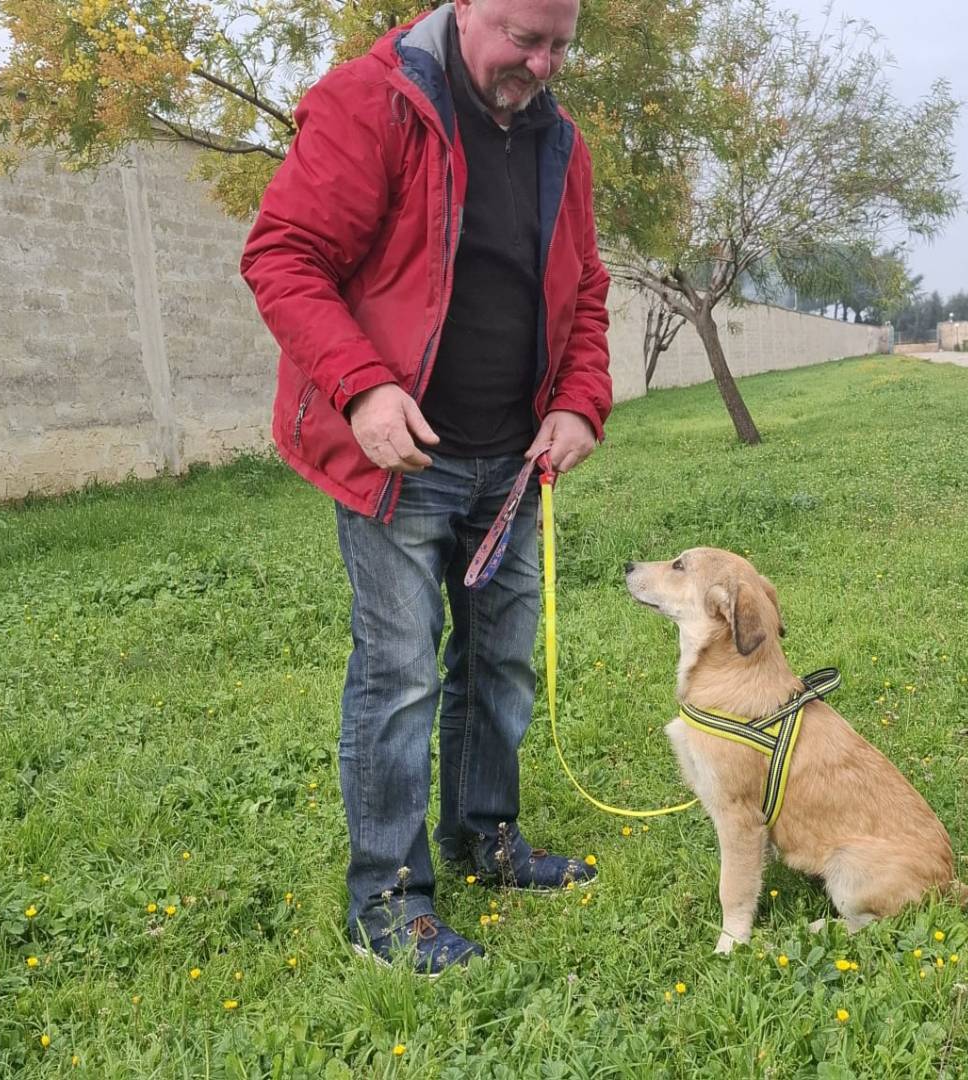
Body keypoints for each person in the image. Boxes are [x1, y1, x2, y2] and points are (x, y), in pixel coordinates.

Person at [240, 0, 610, 973]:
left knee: (500, 664)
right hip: (401, 456)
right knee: (400, 674)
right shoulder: (374, 102)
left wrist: (578, 400)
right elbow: (282, 257)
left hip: (515, 459)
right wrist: (361, 388)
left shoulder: (559, 145)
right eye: (521, 40)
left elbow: (588, 288)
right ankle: (386, 904)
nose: (539, 63)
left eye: (559, 45)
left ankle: (483, 839)